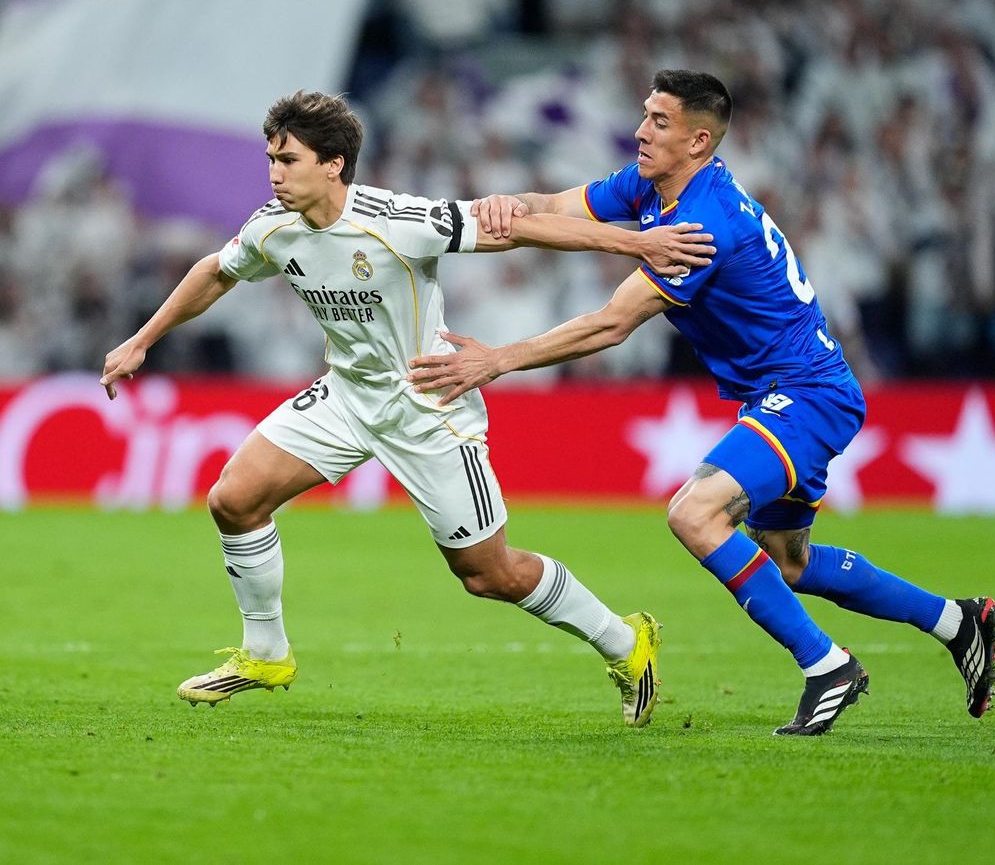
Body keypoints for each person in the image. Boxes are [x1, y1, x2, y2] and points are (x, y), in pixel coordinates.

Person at [408, 69, 995, 735]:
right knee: (788, 562)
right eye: (643, 115)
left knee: (694, 513)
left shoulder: (701, 223)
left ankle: (826, 665)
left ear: (697, 140)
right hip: (786, 393)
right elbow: (557, 202)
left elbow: (611, 323)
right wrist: (503, 203)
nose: (639, 130)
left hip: (804, 394)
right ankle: (959, 621)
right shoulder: (654, 184)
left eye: (658, 121)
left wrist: (497, 359)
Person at [101, 89, 717, 726]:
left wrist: (638, 245)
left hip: (430, 404)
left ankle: (625, 641)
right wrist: (141, 341)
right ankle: (266, 653)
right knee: (234, 499)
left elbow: (522, 230)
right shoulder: (272, 227)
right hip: (348, 394)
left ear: (334, 164)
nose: (274, 174)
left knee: (487, 574)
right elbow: (216, 271)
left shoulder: (397, 220)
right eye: (271, 160)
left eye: (288, 160)